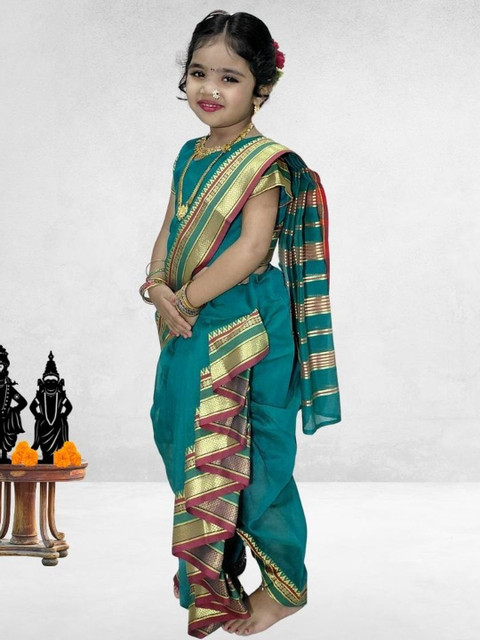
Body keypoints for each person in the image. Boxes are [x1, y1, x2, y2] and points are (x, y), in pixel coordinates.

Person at [140, 10, 341, 638]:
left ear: (262, 88)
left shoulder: (265, 163)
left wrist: (184, 299)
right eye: (199, 72)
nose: (209, 88)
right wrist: (155, 284)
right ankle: (216, 580)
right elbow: (171, 225)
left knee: (250, 456)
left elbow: (253, 249)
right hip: (191, 319)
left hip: (245, 326)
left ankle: (283, 588)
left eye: (230, 78)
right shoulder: (190, 153)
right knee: (182, 436)